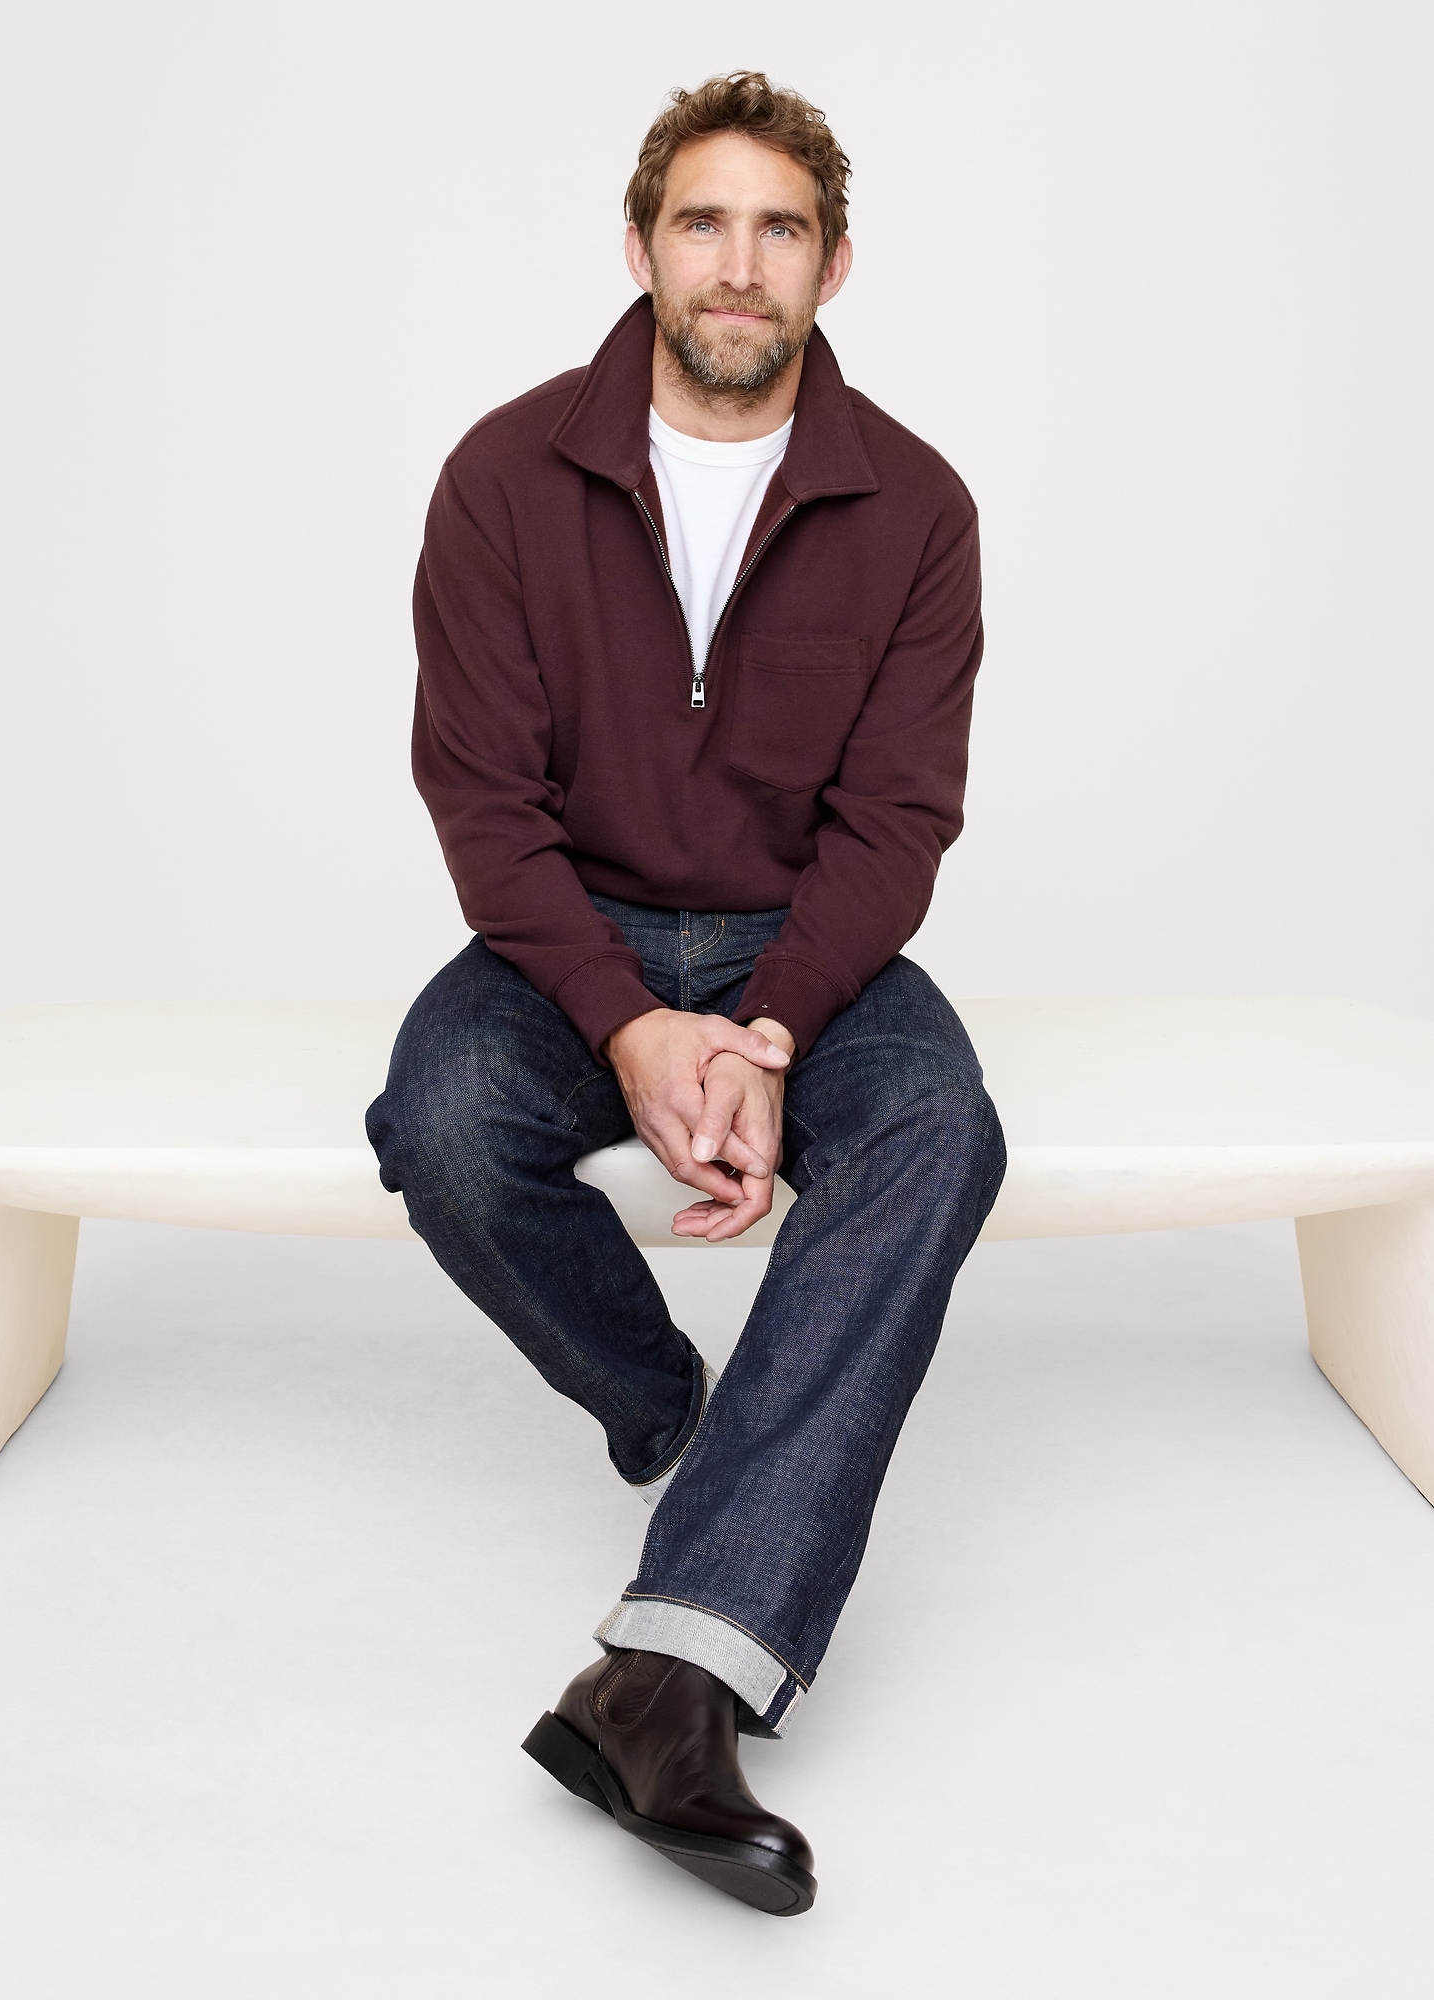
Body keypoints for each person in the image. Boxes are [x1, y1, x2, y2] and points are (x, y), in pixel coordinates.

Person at [367, 71, 1005, 1916]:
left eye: (779, 228)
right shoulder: (505, 475)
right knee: (443, 1122)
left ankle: (676, 1673)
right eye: (703, 222)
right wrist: (632, 1024)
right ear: (642, 247)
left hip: (813, 944)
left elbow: (898, 818)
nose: (740, 264)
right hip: (571, 933)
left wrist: (777, 1025)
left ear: (834, 263)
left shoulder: (918, 505)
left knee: (941, 1132)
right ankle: (678, 1417)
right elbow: (482, 799)